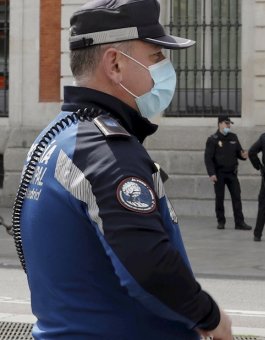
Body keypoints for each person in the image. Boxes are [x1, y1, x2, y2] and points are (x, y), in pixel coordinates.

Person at [12, 1, 232, 339]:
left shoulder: (59, 136)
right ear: (115, 64)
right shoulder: (106, 151)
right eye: (156, 57)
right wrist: (211, 317)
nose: (165, 70)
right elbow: (149, 265)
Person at [204, 114, 253, 230]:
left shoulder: (233, 137)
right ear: (220, 124)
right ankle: (221, 221)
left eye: (229, 123)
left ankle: (239, 222)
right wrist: (211, 173)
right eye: (226, 123)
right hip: (219, 173)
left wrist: (244, 156)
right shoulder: (213, 139)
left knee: (237, 197)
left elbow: (239, 153)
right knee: (219, 198)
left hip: (232, 173)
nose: (228, 126)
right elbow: (208, 158)